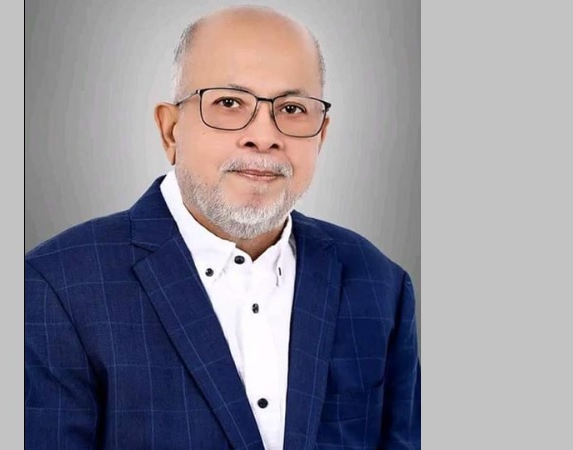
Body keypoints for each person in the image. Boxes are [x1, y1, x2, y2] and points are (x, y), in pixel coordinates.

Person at [25, 5, 420, 449]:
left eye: (292, 108)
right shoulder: (57, 287)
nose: (264, 136)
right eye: (229, 103)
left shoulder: (379, 285)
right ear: (171, 130)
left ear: (321, 135)